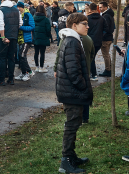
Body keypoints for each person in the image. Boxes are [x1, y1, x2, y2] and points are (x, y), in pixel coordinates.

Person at [55, 13, 93, 174]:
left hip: (70, 90)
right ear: (74, 25)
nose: (87, 26)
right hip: (72, 91)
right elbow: (73, 71)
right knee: (71, 125)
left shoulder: (73, 39)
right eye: (84, 23)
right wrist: (83, 86)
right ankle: (66, 162)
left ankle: (71, 156)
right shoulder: (72, 42)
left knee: (75, 123)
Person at [54, 31, 95, 125]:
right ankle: (85, 117)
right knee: (84, 93)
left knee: (75, 93)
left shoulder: (67, 41)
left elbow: (59, 54)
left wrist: (56, 68)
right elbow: (92, 53)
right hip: (85, 70)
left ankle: (74, 120)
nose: (87, 27)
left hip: (72, 73)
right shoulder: (88, 38)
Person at [0, 0, 21, 85]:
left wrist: (3, 37)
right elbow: (20, 23)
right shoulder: (17, 10)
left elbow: (0, 24)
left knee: (2, 58)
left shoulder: (0, 10)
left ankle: (1, 79)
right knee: (11, 58)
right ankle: (11, 79)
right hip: (14, 37)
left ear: (2, 1)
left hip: (3, 37)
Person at [86, 3, 109, 81]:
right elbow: (106, 29)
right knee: (92, 57)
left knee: (90, 57)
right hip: (98, 41)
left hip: (89, 40)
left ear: (89, 10)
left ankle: (93, 74)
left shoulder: (87, 18)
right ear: (96, 9)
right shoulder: (102, 18)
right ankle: (92, 73)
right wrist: (101, 35)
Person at [14, 2, 35, 81]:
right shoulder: (17, 15)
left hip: (26, 39)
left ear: (23, 7)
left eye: (20, 7)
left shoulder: (28, 15)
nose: (18, 9)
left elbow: (32, 27)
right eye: (17, 7)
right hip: (19, 39)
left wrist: (21, 27)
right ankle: (23, 73)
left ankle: (29, 72)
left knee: (22, 55)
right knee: (20, 56)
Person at [98, 1, 115, 77]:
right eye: (99, 7)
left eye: (101, 7)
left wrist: (102, 36)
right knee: (107, 54)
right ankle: (109, 69)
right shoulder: (108, 15)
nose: (100, 8)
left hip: (106, 38)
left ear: (105, 7)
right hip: (108, 37)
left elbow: (106, 28)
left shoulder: (106, 16)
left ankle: (108, 70)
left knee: (106, 55)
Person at [33, 5, 52, 73]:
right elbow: (48, 29)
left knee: (36, 52)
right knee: (42, 53)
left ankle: (37, 67)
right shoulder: (45, 19)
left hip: (35, 37)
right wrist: (49, 36)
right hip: (43, 37)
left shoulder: (33, 18)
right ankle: (41, 67)